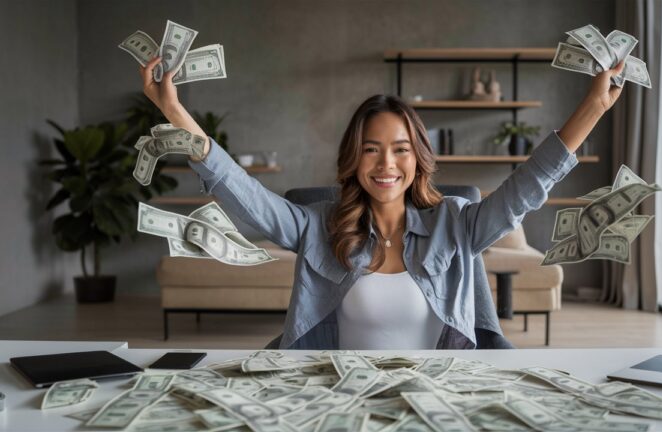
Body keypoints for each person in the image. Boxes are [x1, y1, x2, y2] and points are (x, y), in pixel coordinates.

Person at [140, 56, 625, 350]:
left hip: (434, 398)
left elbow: (526, 187)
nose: (386, 163)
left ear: (418, 157)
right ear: (354, 158)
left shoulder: (456, 224)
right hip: (341, 400)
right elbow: (246, 197)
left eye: (400, 149)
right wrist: (175, 111)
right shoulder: (318, 226)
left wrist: (594, 107)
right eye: (371, 148)